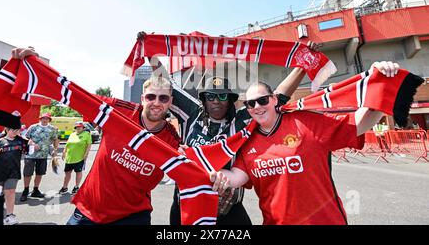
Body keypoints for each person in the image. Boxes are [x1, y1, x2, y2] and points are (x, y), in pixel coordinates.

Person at [144, 35, 319, 225]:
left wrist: (304, 64)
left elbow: (278, 96)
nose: (216, 101)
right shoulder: (191, 114)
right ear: (204, 99)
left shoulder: (241, 120)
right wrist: (150, 51)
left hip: (227, 210)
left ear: (230, 100)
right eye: (210, 96)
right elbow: (166, 83)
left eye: (222, 97)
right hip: (187, 205)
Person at [210, 61, 400, 225]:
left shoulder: (307, 122)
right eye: (251, 104)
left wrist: (380, 81)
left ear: (275, 99)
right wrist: (197, 168)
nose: (257, 107)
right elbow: (235, 177)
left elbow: (361, 122)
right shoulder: (247, 141)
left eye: (262, 100)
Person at [65, 76, 181, 225]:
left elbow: (193, 171)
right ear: (143, 98)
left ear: (170, 102)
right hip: (89, 210)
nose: (157, 103)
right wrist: (28, 64)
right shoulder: (118, 111)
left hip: (133, 216)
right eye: (151, 97)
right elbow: (75, 95)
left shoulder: (173, 141)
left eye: (163, 98)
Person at [0, 127, 28, 225]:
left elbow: (29, 152)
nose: (15, 132)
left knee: (10, 191)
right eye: (13, 130)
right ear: (7, 130)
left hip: (13, 171)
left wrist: (32, 145)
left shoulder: (21, 142)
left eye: (17, 130)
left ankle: (10, 215)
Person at [20, 113, 59, 202]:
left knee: (39, 173)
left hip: (43, 155)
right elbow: (25, 137)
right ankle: (25, 190)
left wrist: (55, 149)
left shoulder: (52, 129)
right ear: (40, 119)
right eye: (43, 118)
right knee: (27, 173)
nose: (45, 120)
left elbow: (55, 139)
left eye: (47, 118)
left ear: (49, 120)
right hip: (30, 154)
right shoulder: (33, 127)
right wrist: (32, 143)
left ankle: (36, 190)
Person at [59, 121, 92, 195]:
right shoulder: (72, 134)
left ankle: (76, 186)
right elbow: (67, 144)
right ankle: (65, 187)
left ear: (83, 128)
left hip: (79, 157)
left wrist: (86, 154)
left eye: (80, 127)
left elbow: (89, 145)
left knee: (78, 172)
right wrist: (64, 152)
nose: (78, 128)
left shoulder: (87, 134)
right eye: (77, 127)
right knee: (67, 173)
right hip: (69, 158)